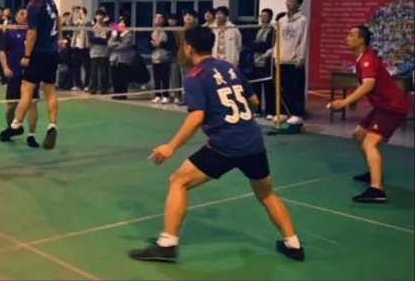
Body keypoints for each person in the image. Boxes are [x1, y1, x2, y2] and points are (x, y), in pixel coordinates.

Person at [129, 26, 304, 263]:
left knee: (178, 182)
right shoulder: (229, 67)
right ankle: (293, 244)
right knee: (266, 194)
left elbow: (196, 117)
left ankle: (167, 244)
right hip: (253, 141)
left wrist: (171, 147)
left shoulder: (195, 77)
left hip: (224, 146)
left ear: (188, 47)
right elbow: (253, 101)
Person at [329, 26, 408, 203]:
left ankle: (377, 189)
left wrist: (345, 101)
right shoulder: (362, 58)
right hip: (382, 107)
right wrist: (355, 99)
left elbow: (368, 85)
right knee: (358, 135)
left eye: (351, 35)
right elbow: (365, 82)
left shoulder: (367, 60)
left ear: (361, 40)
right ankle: (374, 173)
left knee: (369, 142)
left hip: (392, 107)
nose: (347, 38)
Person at [0, 0, 61, 150]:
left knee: (26, 90)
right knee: (50, 91)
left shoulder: (34, 6)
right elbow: (58, 20)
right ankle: (52, 125)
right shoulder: (50, 1)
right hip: (52, 53)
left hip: (38, 53)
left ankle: (16, 125)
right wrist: (59, 39)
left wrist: (26, 56)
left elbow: (32, 33)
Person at [0, 7, 40, 148]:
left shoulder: (33, 32)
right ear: (15, 16)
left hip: (31, 73)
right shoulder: (9, 31)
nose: (24, 16)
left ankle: (31, 135)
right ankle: (12, 128)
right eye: (21, 14)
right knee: (11, 106)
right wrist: (5, 68)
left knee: (32, 104)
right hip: (14, 73)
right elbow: (2, 51)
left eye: (27, 15)